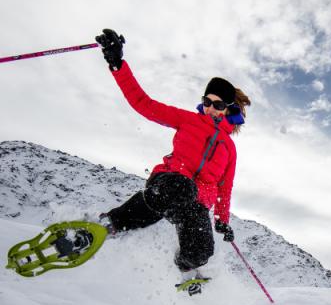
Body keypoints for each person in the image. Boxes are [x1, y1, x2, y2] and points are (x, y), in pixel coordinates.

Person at [93, 28, 250, 288]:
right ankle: (111, 223)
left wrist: (222, 221)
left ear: (228, 110)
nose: (210, 108)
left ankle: (185, 270)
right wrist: (117, 64)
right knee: (181, 187)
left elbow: (225, 187)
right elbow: (143, 103)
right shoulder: (188, 120)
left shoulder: (229, 149)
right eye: (207, 101)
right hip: (167, 183)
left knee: (202, 251)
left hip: (194, 204)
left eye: (218, 105)